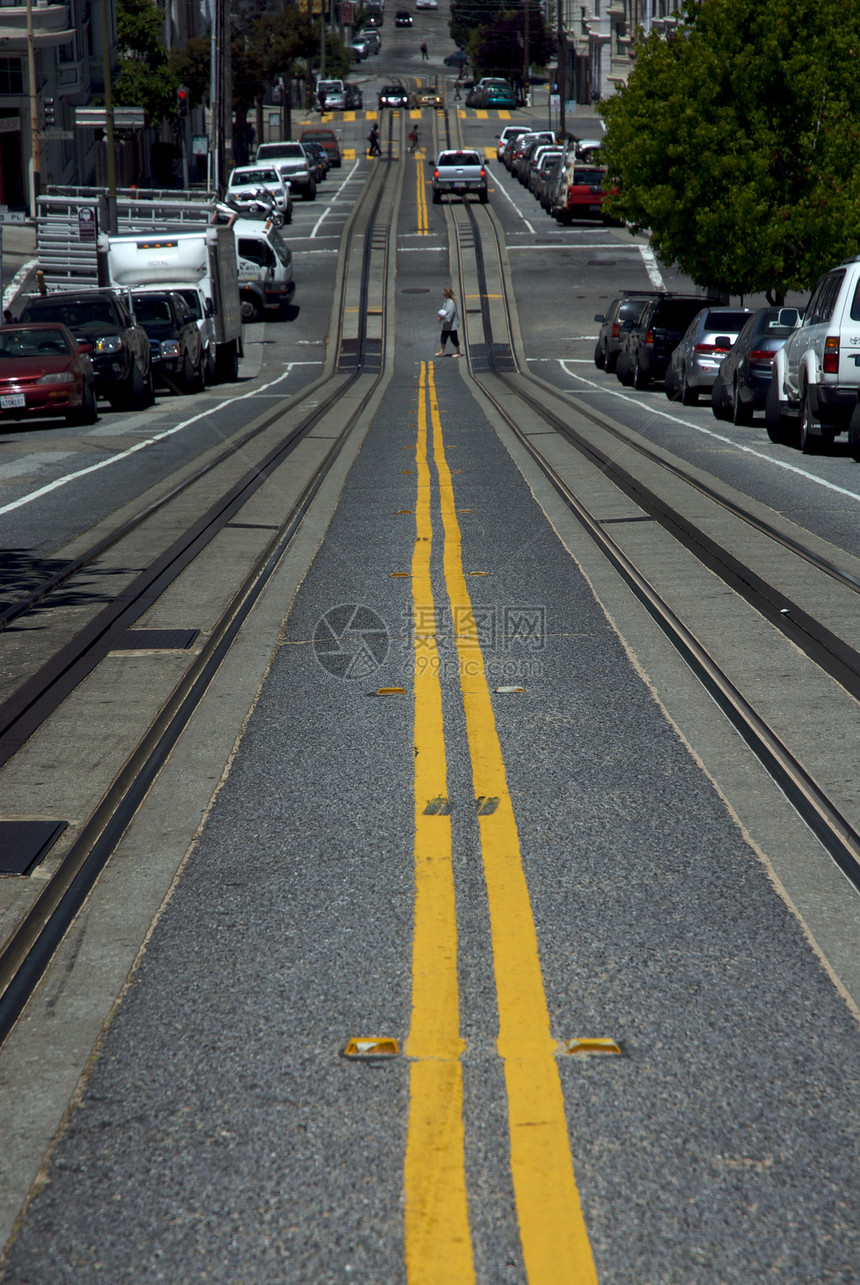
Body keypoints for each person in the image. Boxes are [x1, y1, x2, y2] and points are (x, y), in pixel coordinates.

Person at [435, 287, 461, 359]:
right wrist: (441, 316)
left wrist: (442, 318)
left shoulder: (451, 303)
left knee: (454, 338)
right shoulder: (446, 300)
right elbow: (444, 310)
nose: (443, 293)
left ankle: (458, 352)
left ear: (447, 294)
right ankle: (442, 351)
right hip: (447, 324)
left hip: (451, 325)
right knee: (443, 337)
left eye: (444, 292)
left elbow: (449, 314)